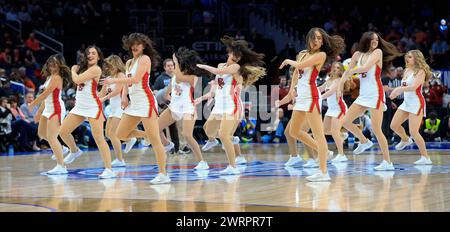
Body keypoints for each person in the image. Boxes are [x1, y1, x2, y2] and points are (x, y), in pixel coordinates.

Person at [279, 27, 345, 181]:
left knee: (318, 134)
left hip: (312, 97)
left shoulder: (320, 55)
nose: (316, 41)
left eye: (319, 39)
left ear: (322, 42)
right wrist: (290, 92)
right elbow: (296, 74)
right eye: (314, 38)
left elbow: (299, 66)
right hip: (301, 97)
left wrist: (289, 61)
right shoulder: (303, 54)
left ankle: (323, 172)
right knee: (293, 131)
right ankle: (323, 150)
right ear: (308, 38)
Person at [104, 33, 170, 184]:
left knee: (155, 141)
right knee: (120, 133)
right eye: (132, 44)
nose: (134, 46)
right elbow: (127, 84)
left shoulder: (145, 59)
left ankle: (163, 174)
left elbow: (135, 79)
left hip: (146, 101)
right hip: (134, 103)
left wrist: (113, 80)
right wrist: (124, 96)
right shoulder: (128, 63)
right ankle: (146, 135)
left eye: (138, 44)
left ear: (144, 46)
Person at [196, 35, 266, 174]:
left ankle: (232, 167)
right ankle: (226, 138)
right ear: (230, 53)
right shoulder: (221, 65)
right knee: (207, 129)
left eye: (239, 56)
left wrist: (203, 66)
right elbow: (216, 84)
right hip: (219, 105)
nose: (236, 57)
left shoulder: (235, 67)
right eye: (235, 54)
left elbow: (220, 73)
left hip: (231, 105)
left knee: (223, 135)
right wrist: (206, 96)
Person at [338, 31, 402, 171]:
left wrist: (350, 71)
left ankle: (387, 162)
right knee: (345, 121)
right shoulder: (357, 55)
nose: (375, 42)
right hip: (363, 95)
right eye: (372, 40)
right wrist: (339, 86)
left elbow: (365, 68)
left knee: (377, 129)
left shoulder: (377, 52)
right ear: (365, 40)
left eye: (376, 40)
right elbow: (346, 72)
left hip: (375, 93)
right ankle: (364, 141)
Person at [59, 45, 116, 179]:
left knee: (99, 139)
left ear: (98, 57)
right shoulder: (86, 69)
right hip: (79, 107)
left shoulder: (96, 69)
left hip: (92, 107)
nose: (90, 55)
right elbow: (88, 88)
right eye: (88, 53)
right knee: (63, 132)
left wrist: (73, 70)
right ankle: (74, 150)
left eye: (93, 53)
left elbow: (77, 80)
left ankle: (109, 169)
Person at [157, 47, 209, 170]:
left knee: (187, 136)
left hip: (188, 109)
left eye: (178, 64)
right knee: (155, 127)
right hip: (174, 108)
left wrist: (175, 61)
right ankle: (167, 144)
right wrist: (172, 100)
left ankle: (202, 162)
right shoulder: (174, 77)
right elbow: (166, 94)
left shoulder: (193, 78)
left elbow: (180, 78)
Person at [28, 54, 70, 174]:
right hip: (48, 108)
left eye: (55, 63)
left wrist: (33, 104)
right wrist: (39, 112)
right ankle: (62, 148)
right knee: (41, 134)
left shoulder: (57, 77)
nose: (52, 65)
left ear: (59, 64)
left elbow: (45, 94)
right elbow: (47, 99)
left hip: (56, 109)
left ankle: (61, 166)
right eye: (50, 62)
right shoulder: (49, 77)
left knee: (52, 138)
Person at [389, 50, 432, 165]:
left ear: (417, 58)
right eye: (407, 57)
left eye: (410, 57)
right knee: (393, 125)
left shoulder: (421, 71)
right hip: (406, 102)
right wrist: (395, 91)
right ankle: (405, 139)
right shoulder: (406, 70)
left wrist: (398, 90)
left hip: (416, 102)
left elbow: (413, 87)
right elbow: (405, 86)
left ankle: (426, 157)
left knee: (414, 132)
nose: (407, 59)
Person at [98, 55, 128, 167]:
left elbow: (117, 91)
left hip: (121, 107)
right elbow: (103, 93)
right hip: (113, 108)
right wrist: (104, 86)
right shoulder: (110, 77)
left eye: (110, 65)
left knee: (112, 133)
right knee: (108, 134)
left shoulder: (120, 75)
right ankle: (130, 140)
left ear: (116, 64)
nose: (108, 67)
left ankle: (120, 160)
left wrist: (104, 99)